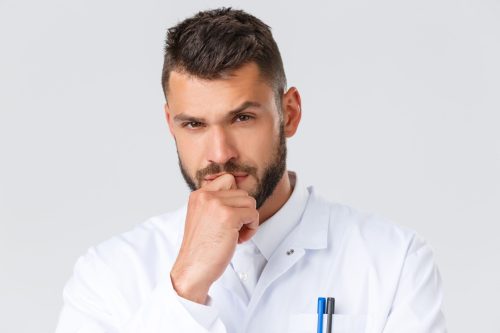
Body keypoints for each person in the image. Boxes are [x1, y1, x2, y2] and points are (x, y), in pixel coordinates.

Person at [55, 7, 446, 333]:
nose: (220, 153)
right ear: (170, 124)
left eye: (242, 118)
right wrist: (186, 285)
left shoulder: (394, 261)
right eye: (194, 124)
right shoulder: (108, 274)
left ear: (288, 114)